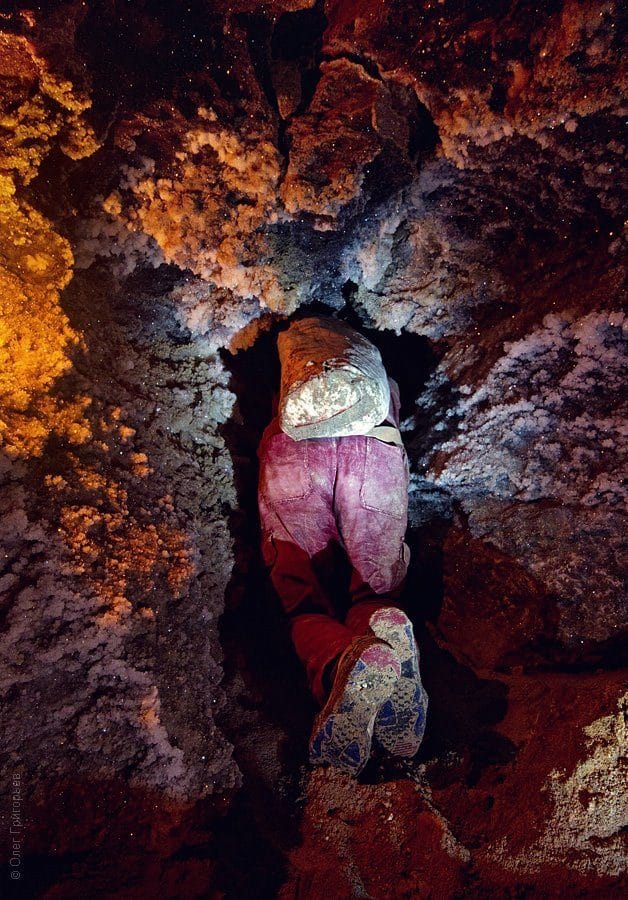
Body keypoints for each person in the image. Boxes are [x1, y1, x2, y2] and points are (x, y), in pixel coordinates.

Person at [257, 316, 427, 776]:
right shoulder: (381, 379)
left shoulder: (291, 374)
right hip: (375, 450)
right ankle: (384, 626)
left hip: (292, 452)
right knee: (374, 591)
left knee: (303, 603)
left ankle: (343, 664)